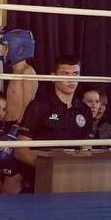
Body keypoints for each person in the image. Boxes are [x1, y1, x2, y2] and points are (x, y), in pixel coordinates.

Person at [14, 54, 96, 190]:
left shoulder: (84, 110)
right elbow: (20, 150)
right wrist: (49, 168)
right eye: (65, 74)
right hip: (41, 180)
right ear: (53, 77)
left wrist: (79, 170)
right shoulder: (39, 106)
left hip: (74, 181)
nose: (71, 79)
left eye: (75, 74)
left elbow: (86, 149)